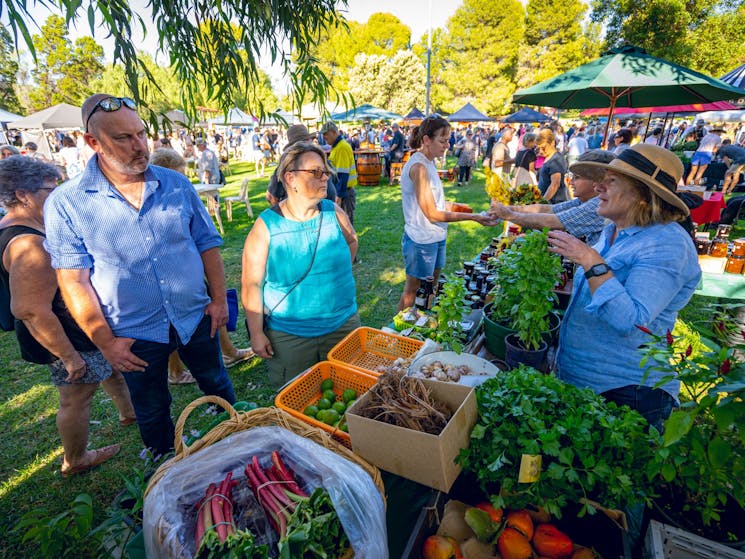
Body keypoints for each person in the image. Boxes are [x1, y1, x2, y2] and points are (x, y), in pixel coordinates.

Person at [44, 94, 236, 457]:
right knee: (151, 408)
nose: (139, 146)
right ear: (92, 142)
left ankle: (237, 435)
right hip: (132, 334)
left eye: (141, 134)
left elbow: (207, 245)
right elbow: (73, 281)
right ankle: (164, 463)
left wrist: (217, 301)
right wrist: (106, 343)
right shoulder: (68, 202)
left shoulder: (176, 184)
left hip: (195, 315)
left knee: (216, 382)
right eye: (123, 138)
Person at [548, 144, 701, 431]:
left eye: (611, 181)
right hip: (587, 385)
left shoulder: (667, 243)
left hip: (627, 395)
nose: (598, 187)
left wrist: (589, 260)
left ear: (642, 195)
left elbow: (629, 321)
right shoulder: (613, 231)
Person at [0, 156, 136, 476]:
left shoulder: (13, 227)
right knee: (77, 397)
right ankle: (75, 459)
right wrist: (70, 357)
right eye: (51, 188)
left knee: (109, 370)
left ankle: (129, 412)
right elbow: (30, 309)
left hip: (72, 328)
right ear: (23, 195)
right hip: (62, 335)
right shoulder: (29, 244)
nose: (58, 193)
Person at [242, 142, 360, 388]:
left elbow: (352, 240)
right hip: (290, 337)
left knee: (350, 395)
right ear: (290, 178)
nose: (324, 178)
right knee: (298, 403)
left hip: (342, 326)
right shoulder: (266, 227)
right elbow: (251, 284)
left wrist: (334, 278)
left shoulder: (334, 212)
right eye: (315, 172)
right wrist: (256, 333)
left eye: (325, 172)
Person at [149, 147, 254, 382]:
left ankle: (229, 352)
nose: (182, 179)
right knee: (169, 328)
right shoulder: (153, 204)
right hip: (170, 280)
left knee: (215, 307)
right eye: (178, 174)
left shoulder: (179, 196)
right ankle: (175, 371)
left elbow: (205, 239)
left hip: (191, 272)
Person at [397, 115, 496, 310]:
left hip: (436, 236)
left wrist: (458, 206)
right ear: (426, 140)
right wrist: (473, 217)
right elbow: (432, 213)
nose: (447, 145)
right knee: (414, 290)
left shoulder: (429, 162)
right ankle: (396, 335)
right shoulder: (419, 167)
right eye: (442, 141)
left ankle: (422, 324)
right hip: (421, 240)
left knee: (431, 288)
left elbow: (433, 201)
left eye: (448, 140)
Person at [490, 150, 615, 246]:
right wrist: (508, 208)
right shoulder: (586, 200)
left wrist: (509, 215)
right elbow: (548, 209)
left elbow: (553, 221)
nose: (570, 181)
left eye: (577, 177)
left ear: (598, 180)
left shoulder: (598, 204)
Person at [266, 124, 337, 205]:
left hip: (326, 213)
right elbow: (271, 197)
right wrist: (283, 215)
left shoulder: (321, 159)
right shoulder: (287, 164)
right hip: (298, 214)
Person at [321, 121, 358, 226]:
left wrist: (339, 196)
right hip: (342, 192)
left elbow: (343, 174)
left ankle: (348, 242)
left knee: (345, 225)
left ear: (333, 132)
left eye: (325, 134)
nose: (324, 137)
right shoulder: (337, 147)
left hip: (345, 193)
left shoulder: (341, 147)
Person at [536, 128, 569, 203]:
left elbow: (555, 185)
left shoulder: (556, 159)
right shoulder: (549, 156)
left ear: (552, 143)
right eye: (539, 148)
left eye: (543, 148)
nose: (540, 151)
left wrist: (541, 202)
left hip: (554, 202)